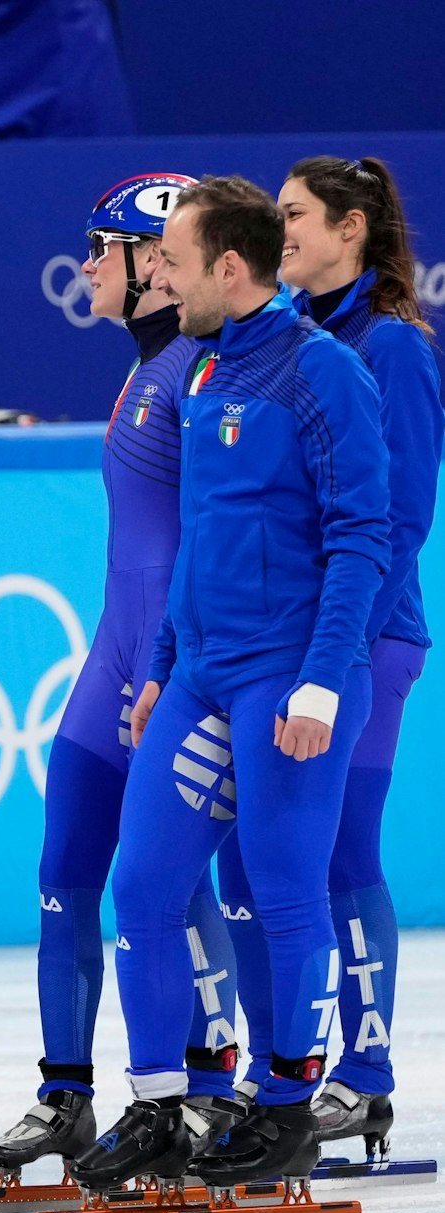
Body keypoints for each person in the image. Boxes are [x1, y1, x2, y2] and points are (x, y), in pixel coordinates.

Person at [71, 176, 389, 1196]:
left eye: (172, 260)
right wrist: (162, 669)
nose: (160, 277)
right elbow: (199, 541)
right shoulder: (202, 370)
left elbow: (362, 537)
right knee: (142, 885)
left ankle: (288, 1112)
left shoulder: (323, 370)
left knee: (285, 892)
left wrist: (323, 684)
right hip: (201, 676)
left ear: (230, 267)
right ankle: (162, 1104)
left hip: (289, 678)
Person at [0, 174, 244, 1182]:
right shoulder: (146, 368)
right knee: (63, 874)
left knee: (170, 883)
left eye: (104, 246)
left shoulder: (202, 372)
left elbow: (211, 539)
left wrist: (175, 665)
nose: (86, 263)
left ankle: (206, 1087)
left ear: (156, 264)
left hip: (171, 665)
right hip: (114, 659)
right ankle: (65, 1092)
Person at [215, 156, 442, 1157]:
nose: (281, 229)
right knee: (265, 853)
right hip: (297, 644)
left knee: (341, 848)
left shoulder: (390, 347)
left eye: (296, 214)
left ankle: (365, 1075)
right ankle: (281, 1068)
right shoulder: (295, 338)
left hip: (365, 642)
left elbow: (402, 517)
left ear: (351, 229)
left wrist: (334, 651)